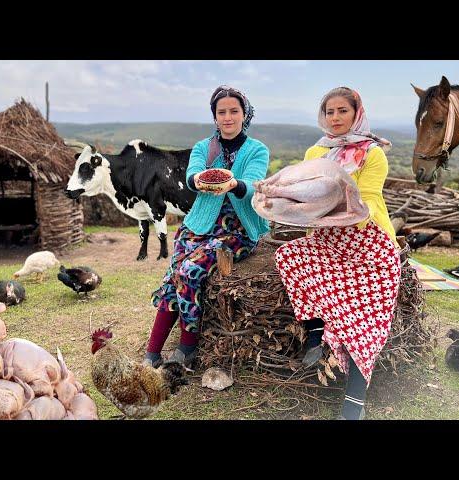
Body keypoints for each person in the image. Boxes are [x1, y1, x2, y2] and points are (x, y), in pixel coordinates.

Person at [274, 87, 400, 420]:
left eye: (342, 110)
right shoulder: (316, 150)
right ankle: (316, 333)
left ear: (356, 112)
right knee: (289, 256)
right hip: (328, 239)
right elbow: (306, 193)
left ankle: (355, 400)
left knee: (365, 318)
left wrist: (342, 209)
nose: (335, 117)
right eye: (329, 112)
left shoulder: (373, 153)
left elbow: (370, 199)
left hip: (367, 240)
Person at [143, 85, 270, 368]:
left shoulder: (257, 150)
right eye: (221, 112)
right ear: (214, 116)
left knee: (189, 272)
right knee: (171, 278)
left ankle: (188, 345)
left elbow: (253, 184)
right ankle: (152, 352)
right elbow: (192, 175)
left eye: (233, 111)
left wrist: (234, 184)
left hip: (237, 229)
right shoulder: (204, 147)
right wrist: (199, 180)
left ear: (244, 113)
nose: (227, 117)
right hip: (198, 225)